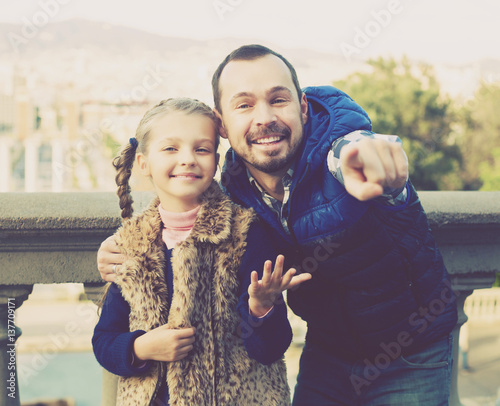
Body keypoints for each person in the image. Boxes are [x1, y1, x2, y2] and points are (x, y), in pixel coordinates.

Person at [98, 45, 458, 405]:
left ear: (303, 107)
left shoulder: (339, 154)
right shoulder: (236, 193)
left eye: (278, 99)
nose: (264, 117)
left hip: (411, 353)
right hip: (328, 352)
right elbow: (183, 219)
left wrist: (374, 162)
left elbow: (352, 153)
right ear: (222, 124)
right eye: (244, 105)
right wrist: (120, 248)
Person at [92, 97, 311, 406]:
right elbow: (104, 340)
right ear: (144, 163)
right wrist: (141, 348)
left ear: (216, 162)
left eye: (202, 149)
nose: (188, 159)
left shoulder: (246, 234)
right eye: (171, 148)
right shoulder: (131, 246)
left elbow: (271, 349)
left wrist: (261, 308)